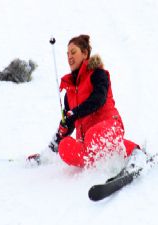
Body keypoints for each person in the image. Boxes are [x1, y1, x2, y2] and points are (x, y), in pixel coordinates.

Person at [28, 34, 139, 167]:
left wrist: (75, 112)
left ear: (85, 53)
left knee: (93, 136)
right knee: (65, 146)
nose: (69, 56)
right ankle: (104, 164)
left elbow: (99, 99)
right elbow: (67, 123)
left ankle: (136, 154)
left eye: (73, 52)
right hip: (88, 143)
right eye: (67, 54)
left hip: (110, 127)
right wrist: (46, 154)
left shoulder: (98, 74)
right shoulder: (69, 92)